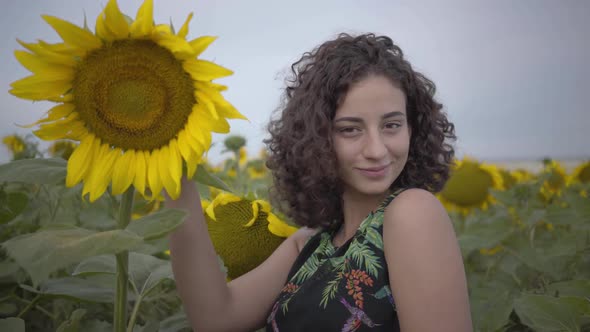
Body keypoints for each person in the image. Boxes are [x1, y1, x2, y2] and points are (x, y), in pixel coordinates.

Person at [167, 33, 473, 331]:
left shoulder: (412, 212)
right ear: (316, 138)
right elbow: (216, 318)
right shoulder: (312, 243)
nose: (377, 150)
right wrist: (171, 167)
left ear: (413, 129)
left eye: (392, 125)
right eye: (350, 129)